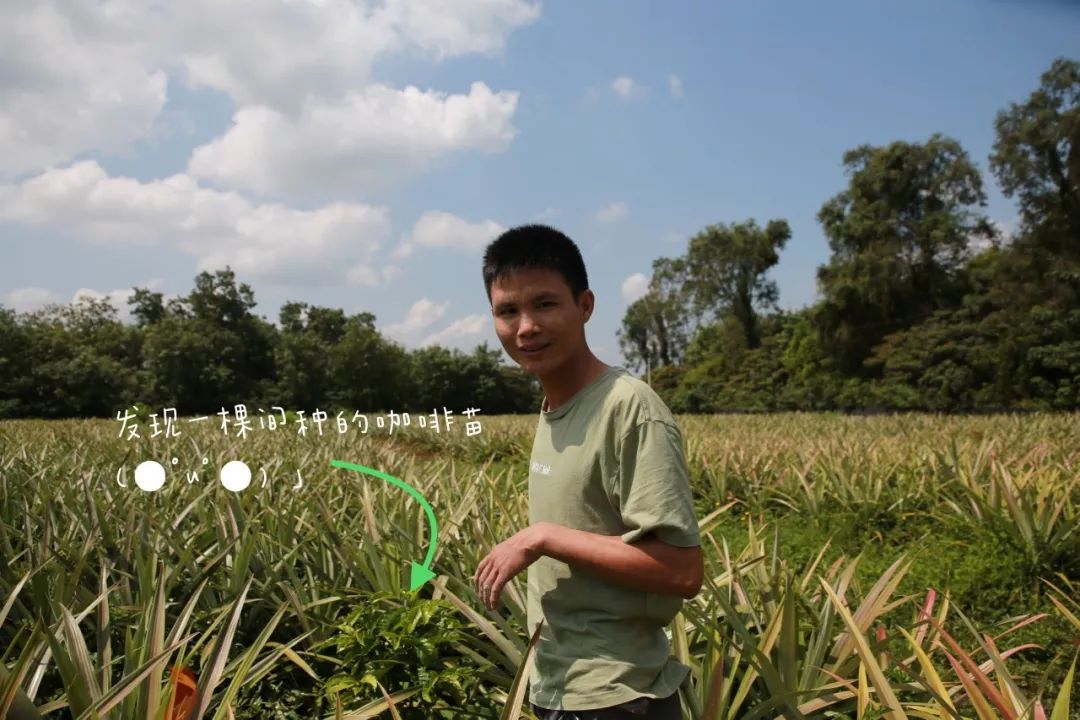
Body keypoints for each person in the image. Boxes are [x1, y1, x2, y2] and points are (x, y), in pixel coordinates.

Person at [474, 224, 704, 720]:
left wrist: (544, 538)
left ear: (585, 306)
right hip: (558, 684)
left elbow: (681, 570)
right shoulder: (553, 407)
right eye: (507, 311)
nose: (526, 326)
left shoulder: (629, 409)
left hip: (616, 697)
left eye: (545, 304)